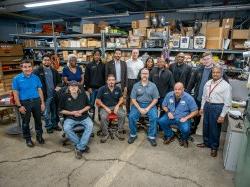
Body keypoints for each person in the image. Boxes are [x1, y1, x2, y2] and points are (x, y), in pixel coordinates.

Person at [187, 52, 229, 134]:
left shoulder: (217, 70)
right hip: (199, 97)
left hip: (211, 101)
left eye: (208, 59)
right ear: (202, 60)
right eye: (204, 59)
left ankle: (210, 137)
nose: (206, 61)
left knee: (210, 119)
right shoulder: (198, 69)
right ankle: (193, 129)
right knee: (196, 115)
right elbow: (191, 83)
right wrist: (187, 94)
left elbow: (226, 82)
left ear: (212, 59)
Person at [197, 65, 232, 157]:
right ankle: (206, 142)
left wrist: (222, 115)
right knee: (206, 125)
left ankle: (214, 147)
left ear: (221, 73)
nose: (215, 74)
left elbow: (228, 102)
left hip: (217, 107)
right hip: (207, 105)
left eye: (217, 72)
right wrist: (202, 107)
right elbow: (204, 97)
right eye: (214, 72)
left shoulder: (226, 86)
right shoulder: (208, 83)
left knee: (215, 128)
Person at [12, 59, 45, 147]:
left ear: (32, 67)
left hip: (36, 101)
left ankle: (39, 136)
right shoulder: (17, 79)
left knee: (38, 120)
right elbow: (15, 93)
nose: (28, 69)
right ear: (21, 68)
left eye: (29, 66)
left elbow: (39, 90)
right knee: (26, 122)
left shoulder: (36, 77)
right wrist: (19, 106)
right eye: (25, 67)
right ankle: (28, 139)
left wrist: (42, 103)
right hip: (25, 103)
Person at [59, 80, 93, 159]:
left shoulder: (83, 94)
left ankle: (79, 148)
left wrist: (81, 111)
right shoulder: (64, 96)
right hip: (70, 118)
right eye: (72, 86)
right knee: (66, 128)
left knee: (90, 125)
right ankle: (82, 146)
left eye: (75, 86)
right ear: (69, 87)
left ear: (78, 87)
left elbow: (88, 106)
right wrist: (72, 113)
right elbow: (60, 110)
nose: (73, 88)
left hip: (83, 116)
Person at [158, 82, 198, 148]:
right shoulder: (169, 95)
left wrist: (186, 118)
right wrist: (168, 112)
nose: (177, 91)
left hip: (183, 118)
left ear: (183, 89)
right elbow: (163, 105)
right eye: (175, 89)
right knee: (161, 121)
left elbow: (195, 111)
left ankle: (184, 139)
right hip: (171, 116)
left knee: (186, 129)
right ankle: (170, 135)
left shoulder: (189, 98)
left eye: (179, 89)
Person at [128, 68, 159, 146]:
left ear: (148, 75)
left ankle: (151, 136)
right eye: (143, 73)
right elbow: (133, 99)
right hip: (138, 104)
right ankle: (133, 135)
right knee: (131, 117)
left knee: (154, 117)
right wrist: (139, 108)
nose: (144, 75)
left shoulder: (153, 85)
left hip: (150, 105)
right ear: (140, 75)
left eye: (146, 73)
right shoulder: (136, 85)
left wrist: (148, 108)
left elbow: (155, 99)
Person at [33, 54, 62, 133]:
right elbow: (34, 84)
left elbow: (60, 82)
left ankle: (55, 125)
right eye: (45, 60)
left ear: (50, 61)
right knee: (46, 113)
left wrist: (58, 87)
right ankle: (49, 127)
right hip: (44, 96)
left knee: (54, 111)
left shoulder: (54, 71)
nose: (47, 61)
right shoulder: (37, 71)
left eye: (48, 60)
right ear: (42, 61)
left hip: (54, 95)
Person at [96, 74, 126, 142]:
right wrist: (105, 107)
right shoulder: (102, 89)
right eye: (109, 80)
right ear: (107, 81)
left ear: (115, 81)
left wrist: (118, 105)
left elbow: (121, 98)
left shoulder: (118, 88)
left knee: (123, 114)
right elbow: (97, 100)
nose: (111, 81)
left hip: (115, 106)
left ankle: (119, 131)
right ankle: (105, 133)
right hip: (105, 107)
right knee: (103, 116)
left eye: (113, 80)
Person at [84, 48, 106, 117]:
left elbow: (105, 77)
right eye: (95, 55)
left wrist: (105, 87)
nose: (97, 56)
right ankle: (91, 118)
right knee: (91, 103)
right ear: (93, 56)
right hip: (92, 89)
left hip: (101, 88)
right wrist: (88, 87)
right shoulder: (89, 65)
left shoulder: (103, 65)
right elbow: (86, 77)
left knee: (100, 103)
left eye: (98, 55)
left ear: (100, 56)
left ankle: (100, 117)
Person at [126, 49, 144, 113]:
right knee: (128, 97)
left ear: (138, 54)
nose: (135, 54)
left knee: (138, 96)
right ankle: (128, 111)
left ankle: (137, 111)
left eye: (136, 53)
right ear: (131, 53)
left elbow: (142, 72)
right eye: (133, 53)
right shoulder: (127, 62)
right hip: (130, 80)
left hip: (138, 81)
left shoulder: (141, 62)